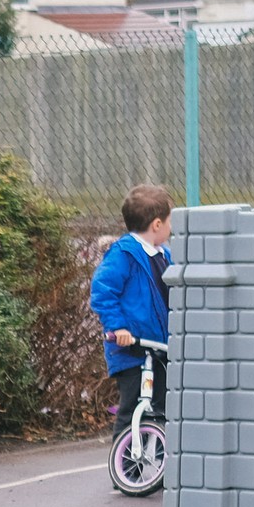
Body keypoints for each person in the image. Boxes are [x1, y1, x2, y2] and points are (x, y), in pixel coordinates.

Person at [91, 183, 174, 450]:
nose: (172, 227)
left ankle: (161, 462)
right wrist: (118, 327)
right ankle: (127, 466)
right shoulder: (124, 254)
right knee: (132, 407)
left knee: (162, 408)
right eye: (170, 221)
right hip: (132, 348)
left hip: (160, 348)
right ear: (157, 224)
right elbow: (103, 291)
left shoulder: (165, 256)